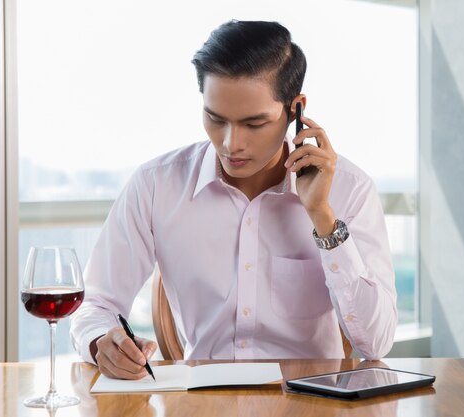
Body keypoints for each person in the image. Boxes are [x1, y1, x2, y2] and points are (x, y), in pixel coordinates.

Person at [70, 20, 397, 380]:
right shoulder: (155, 184)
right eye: (215, 118)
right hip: (200, 400)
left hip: (312, 399)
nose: (230, 143)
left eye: (254, 124)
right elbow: (96, 303)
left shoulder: (349, 189)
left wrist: (322, 216)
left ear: (295, 110)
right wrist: (102, 341)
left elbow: (376, 343)